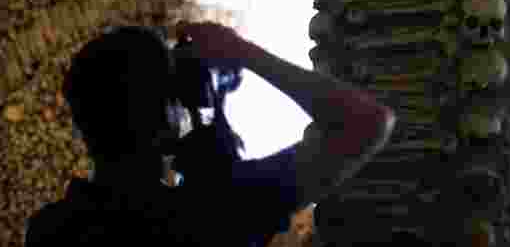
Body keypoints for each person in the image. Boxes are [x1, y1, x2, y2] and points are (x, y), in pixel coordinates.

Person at [24, 22, 397, 247]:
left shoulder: (51, 230)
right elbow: (366, 124)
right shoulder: (218, 210)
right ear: (167, 117)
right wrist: (240, 51)